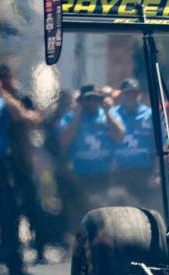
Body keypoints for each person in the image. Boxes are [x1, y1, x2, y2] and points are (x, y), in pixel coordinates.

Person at [0, 64, 51, 262]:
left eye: (5, 76)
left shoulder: (19, 97)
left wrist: (6, 95)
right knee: (8, 209)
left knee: (31, 204)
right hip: (6, 159)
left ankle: (40, 246)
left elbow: (32, 118)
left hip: (21, 159)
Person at [58, 84, 124, 219]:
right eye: (88, 99)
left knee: (104, 213)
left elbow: (119, 136)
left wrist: (107, 112)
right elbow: (64, 142)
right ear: (81, 101)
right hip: (81, 176)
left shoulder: (109, 115)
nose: (93, 102)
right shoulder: (70, 118)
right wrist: (77, 115)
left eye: (96, 98)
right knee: (82, 212)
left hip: (104, 175)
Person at [0, 78, 40, 275]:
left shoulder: (2, 103)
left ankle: (14, 265)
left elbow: (26, 117)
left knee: (10, 213)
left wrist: (4, 94)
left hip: (3, 164)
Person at [110, 78, 157, 206]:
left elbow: (159, 145)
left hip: (144, 172)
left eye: (134, 93)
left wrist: (156, 173)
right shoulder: (112, 114)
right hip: (119, 173)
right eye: (127, 93)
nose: (131, 96)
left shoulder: (150, 114)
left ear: (139, 94)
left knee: (145, 208)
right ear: (121, 94)